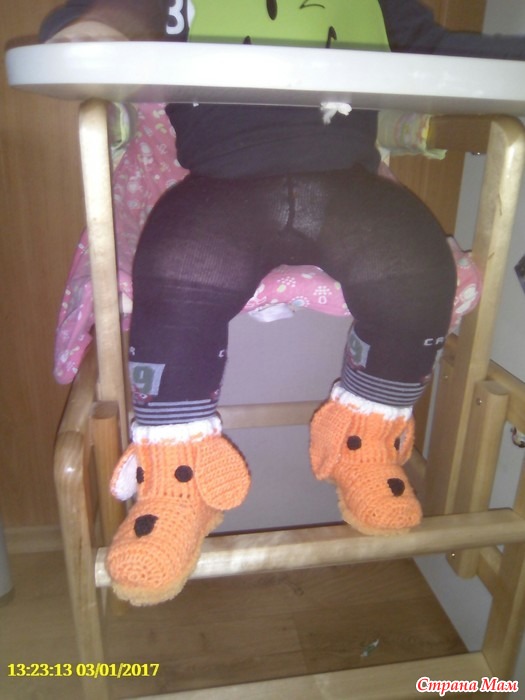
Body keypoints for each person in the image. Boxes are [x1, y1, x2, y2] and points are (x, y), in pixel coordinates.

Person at [40, 0, 525, 606]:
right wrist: (96, 29)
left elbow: (433, 48)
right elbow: (118, 16)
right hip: (220, 187)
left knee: (417, 267)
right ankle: (175, 480)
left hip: (348, 185)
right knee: (177, 269)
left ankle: (362, 440)